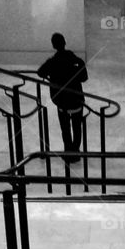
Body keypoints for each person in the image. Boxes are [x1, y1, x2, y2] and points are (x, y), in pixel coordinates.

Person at [37, 33, 88, 164]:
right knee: (77, 127)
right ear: (65, 42)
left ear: (53, 45)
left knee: (65, 128)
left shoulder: (52, 62)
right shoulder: (77, 61)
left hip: (61, 101)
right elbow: (84, 77)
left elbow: (40, 72)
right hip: (76, 99)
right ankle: (76, 152)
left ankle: (68, 152)